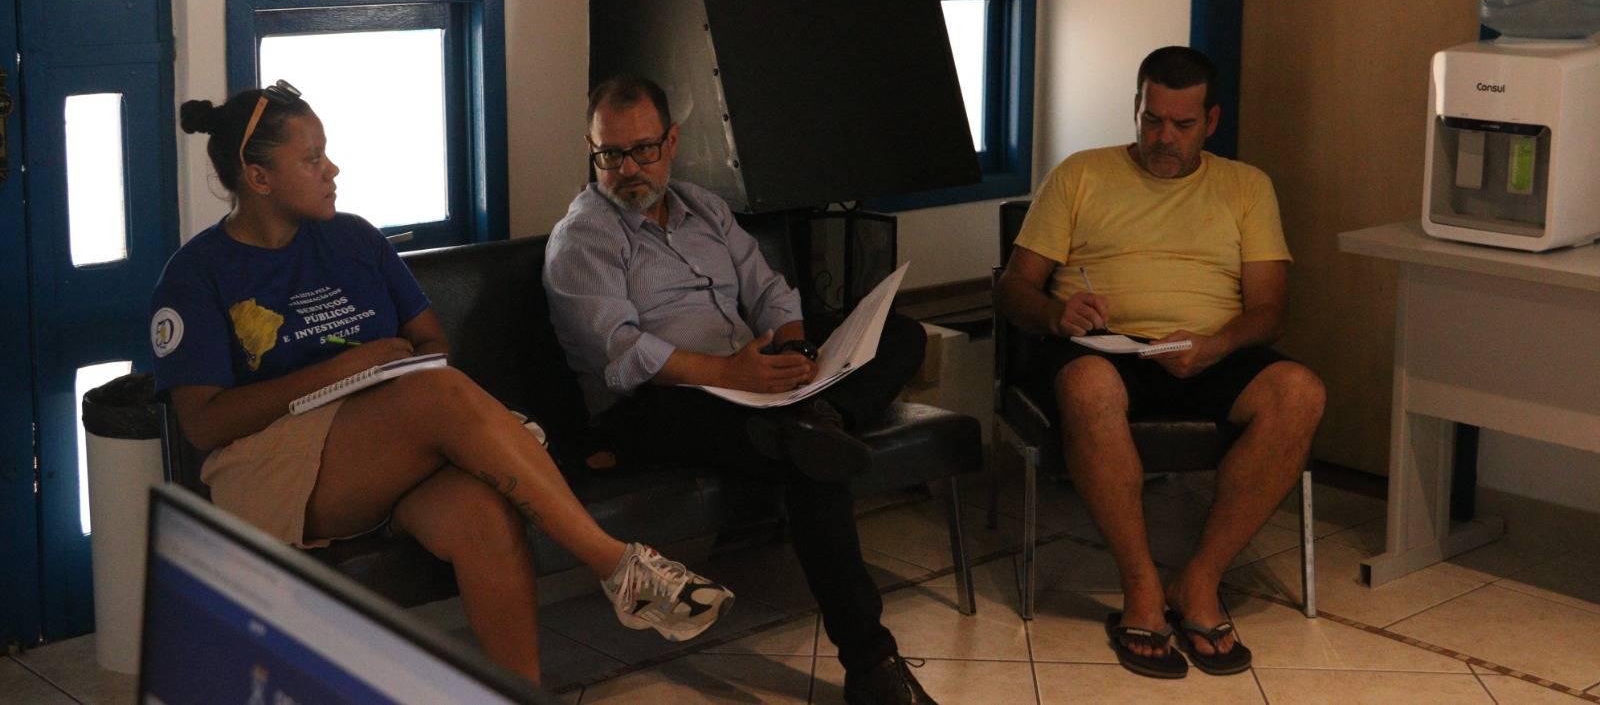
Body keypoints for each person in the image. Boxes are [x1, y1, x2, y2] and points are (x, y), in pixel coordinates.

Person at [150, 80, 733, 686]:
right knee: (436, 394)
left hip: (393, 452)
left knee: (484, 515)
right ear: (259, 177)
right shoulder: (196, 275)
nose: (332, 169)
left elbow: (432, 344)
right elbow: (204, 423)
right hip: (277, 471)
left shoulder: (354, 238)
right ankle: (616, 564)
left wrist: (390, 382)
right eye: (312, 158)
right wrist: (350, 369)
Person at [542, 75, 937, 705]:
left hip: (751, 384)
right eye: (609, 155)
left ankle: (820, 418)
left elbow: (769, 290)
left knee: (902, 334)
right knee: (807, 460)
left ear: (672, 142)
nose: (627, 170)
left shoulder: (705, 208)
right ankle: (872, 665)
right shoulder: (584, 237)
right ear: (591, 151)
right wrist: (731, 374)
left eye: (642, 150)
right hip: (653, 406)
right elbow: (619, 354)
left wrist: (797, 352)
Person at [997, 46, 1325, 680]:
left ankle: (1199, 580)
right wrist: (1057, 314)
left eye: (1182, 124)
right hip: (1103, 347)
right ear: (1136, 109)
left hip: (1208, 348)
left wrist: (1218, 345)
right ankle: (1141, 587)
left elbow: (1270, 312)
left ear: (1212, 121)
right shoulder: (1080, 174)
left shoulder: (1246, 186)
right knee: (1090, 387)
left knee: (1299, 392)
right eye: (1152, 120)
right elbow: (1014, 289)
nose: (1163, 137)